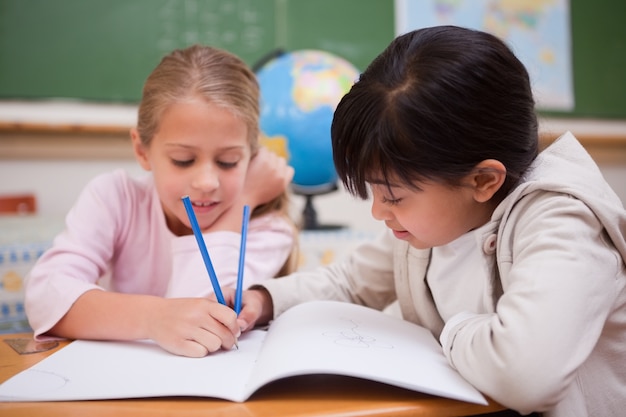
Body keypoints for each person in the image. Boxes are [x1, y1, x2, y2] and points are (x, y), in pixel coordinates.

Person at [229, 26, 626, 417]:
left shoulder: (563, 221)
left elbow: (524, 375)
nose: (379, 211)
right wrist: (263, 300)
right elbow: (352, 282)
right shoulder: (432, 224)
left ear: (483, 181)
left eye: (394, 196)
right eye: (374, 192)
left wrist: (452, 331)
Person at [25, 45, 297, 358]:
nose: (207, 182)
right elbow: (45, 294)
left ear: (252, 157)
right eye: (183, 160)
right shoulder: (115, 198)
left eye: (228, 161)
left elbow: (200, 324)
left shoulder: (268, 229)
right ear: (142, 151)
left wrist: (242, 204)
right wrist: (154, 317)